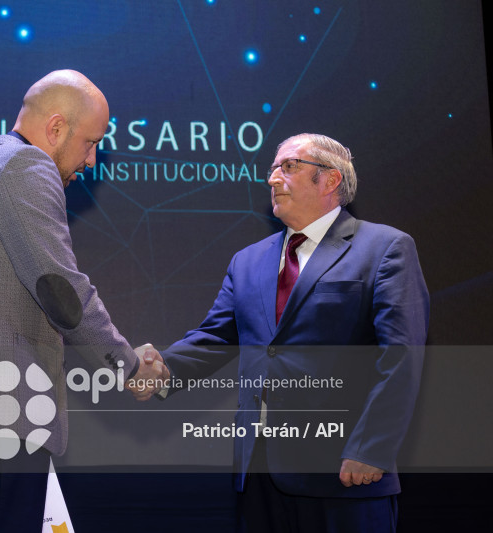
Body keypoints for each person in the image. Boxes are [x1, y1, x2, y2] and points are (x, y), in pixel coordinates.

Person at [0, 69, 166, 533]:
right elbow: (62, 292)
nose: (91, 161)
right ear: (55, 128)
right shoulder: (26, 167)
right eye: (90, 143)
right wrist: (129, 367)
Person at [157, 133, 429, 532]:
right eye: (272, 169)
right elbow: (213, 338)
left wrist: (372, 448)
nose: (272, 178)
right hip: (259, 475)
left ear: (330, 180)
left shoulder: (385, 248)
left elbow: (401, 358)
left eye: (289, 166)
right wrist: (150, 369)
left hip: (345, 474)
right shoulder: (247, 261)